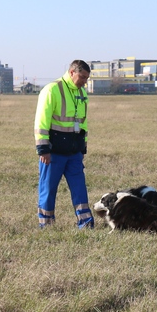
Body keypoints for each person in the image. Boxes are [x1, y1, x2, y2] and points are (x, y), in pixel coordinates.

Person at [34, 60, 94, 229]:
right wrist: (43, 148)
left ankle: (86, 224)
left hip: (74, 152)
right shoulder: (52, 90)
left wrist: (83, 147)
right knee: (48, 189)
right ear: (71, 72)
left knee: (79, 189)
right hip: (53, 152)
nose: (84, 81)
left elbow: (83, 122)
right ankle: (46, 225)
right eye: (82, 77)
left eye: (87, 78)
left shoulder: (82, 92)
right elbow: (41, 121)